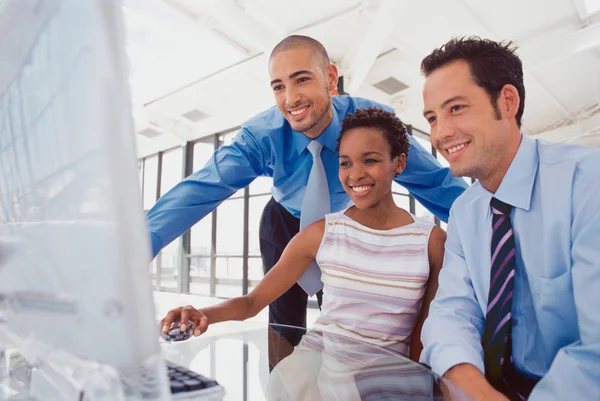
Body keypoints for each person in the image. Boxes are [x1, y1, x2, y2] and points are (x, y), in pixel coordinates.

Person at [147, 35, 467, 351]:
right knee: (284, 322)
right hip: (283, 221)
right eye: (278, 86)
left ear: (330, 77)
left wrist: (492, 233)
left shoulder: (370, 127)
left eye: (301, 80)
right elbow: (201, 189)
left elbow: (435, 182)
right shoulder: (262, 136)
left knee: (346, 315)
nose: (290, 98)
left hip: (346, 224)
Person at [160, 108, 446, 369]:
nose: (355, 174)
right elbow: (251, 303)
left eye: (370, 160)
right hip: (322, 380)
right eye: (345, 163)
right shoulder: (321, 234)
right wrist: (200, 313)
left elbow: (423, 336)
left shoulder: (431, 242)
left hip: (392, 383)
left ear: (399, 163)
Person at [419, 37, 600, 401]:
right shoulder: (465, 212)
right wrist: (474, 389)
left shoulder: (587, 184)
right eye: (432, 118)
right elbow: (452, 312)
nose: (440, 134)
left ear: (507, 101)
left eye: (456, 108)